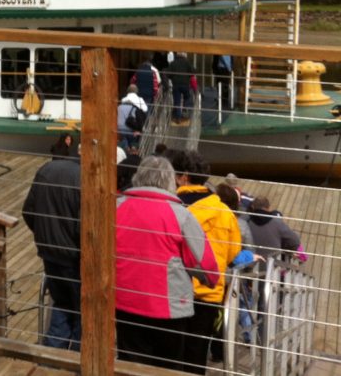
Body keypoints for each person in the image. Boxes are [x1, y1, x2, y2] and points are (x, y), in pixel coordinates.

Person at [115, 155, 219, 370]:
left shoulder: (117, 207)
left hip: (125, 301)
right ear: (170, 181)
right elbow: (203, 263)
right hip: (168, 308)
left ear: (138, 177)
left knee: (131, 366)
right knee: (168, 367)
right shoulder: (180, 214)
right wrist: (210, 280)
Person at [171, 150, 243, 373]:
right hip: (210, 291)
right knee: (197, 352)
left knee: (172, 351)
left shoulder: (172, 206)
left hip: (174, 291)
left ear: (182, 177)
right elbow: (233, 252)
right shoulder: (224, 212)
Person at [22, 138, 82, 349]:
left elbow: (28, 211)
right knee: (83, 312)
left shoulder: (46, 169)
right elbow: (84, 227)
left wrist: (44, 236)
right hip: (75, 258)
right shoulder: (85, 178)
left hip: (49, 254)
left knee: (61, 305)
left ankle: (52, 358)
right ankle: (77, 360)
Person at [247, 196, 303, 262]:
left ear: (253, 207)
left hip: (252, 260)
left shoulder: (247, 222)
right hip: (273, 261)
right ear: (268, 208)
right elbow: (295, 241)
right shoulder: (276, 222)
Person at [167, 51, 197, 122]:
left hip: (176, 85)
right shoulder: (187, 62)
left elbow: (168, 74)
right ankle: (185, 110)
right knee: (187, 97)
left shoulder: (173, 63)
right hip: (185, 84)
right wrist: (188, 76)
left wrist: (172, 78)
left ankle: (178, 117)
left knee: (177, 101)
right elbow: (193, 71)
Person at [116, 84, 148, 151]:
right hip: (131, 129)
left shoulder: (119, 106)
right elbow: (145, 110)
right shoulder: (135, 107)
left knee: (123, 144)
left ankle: (126, 150)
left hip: (119, 129)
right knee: (134, 141)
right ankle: (133, 148)